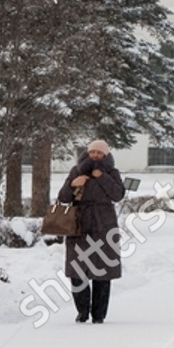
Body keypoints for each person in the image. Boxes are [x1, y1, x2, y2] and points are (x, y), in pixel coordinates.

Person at [58, 139, 125, 324]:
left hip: (104, 226)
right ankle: (82, 311)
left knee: (102, 272)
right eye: (92, 152)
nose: (95, 155)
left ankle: (99, 315)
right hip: (78, 226)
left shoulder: (112, 172)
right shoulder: (76, 170)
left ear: (105, 155)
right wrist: (73, 184)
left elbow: (118, 194)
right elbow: (63, 198)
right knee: (77, 272)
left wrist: (101, 176)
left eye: (99, 153)